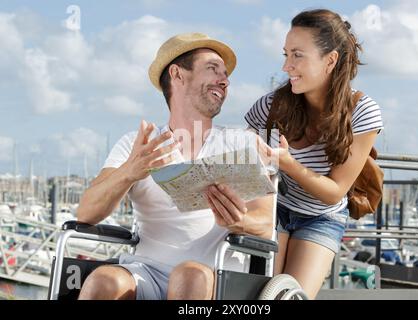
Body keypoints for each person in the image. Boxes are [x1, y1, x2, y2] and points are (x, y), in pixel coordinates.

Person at [76, 32, 274, 300]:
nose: (224, 80)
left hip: (215, 276)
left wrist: (239, 221)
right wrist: (130, 171)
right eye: (213, 69)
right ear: (178, 75)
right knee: (104, 280)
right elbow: (86, 213)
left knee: (187, 275)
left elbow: (265, 222)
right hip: (146, 271)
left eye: (225, 74)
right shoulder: (138, 145)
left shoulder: (241, 143)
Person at [245, 9, 383, 299]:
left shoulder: (363, 112)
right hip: (276, 209)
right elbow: (241, 148)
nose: (286, 66)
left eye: (297, 55)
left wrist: (288, 164)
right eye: (285, 55)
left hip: (322, 216)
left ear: (330, 60)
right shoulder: (271, 105)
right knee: (260, 295)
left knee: (291, 296)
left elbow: (334, 192)